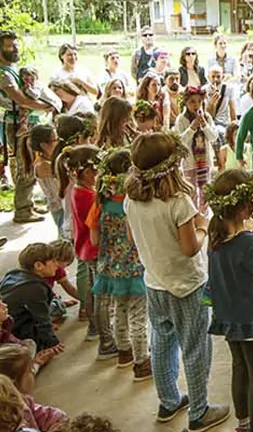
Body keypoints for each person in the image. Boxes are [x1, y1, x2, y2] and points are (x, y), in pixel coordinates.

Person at [123, 132, 230, 430]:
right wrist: (204, 227)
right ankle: (199, 411)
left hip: (154, 283)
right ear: (171, 167)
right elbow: (189, 248)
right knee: (196, 347)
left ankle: (168, 401)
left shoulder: (132, 200)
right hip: (188, 286)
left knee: (162, 342)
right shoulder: (179, 202)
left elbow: (133, 238)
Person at [205, 169, 253, 432]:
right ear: (245, 209)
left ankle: (244, 422)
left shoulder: (215, 235)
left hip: (229, 316)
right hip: (252, 319)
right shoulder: (251, 245)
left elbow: (241, 263)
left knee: (240, 369)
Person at [88, 148, 150, 379]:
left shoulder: (100, 204)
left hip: (110, 268)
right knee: (138, 315)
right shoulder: (133, 203)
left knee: (118, 311)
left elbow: (94, 240)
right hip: (134, 266)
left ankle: (124, 352)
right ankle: (142, 361)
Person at [56, 144, 115, 356]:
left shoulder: (79, 190)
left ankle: (94, 328)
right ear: (88, 171)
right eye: (97, 170)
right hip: (94, 249)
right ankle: (107, 341)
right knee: (102, 297)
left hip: (84, 247)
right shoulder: (88, 195)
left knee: (93, 291)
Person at [0, 32, 50, 224]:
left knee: (33, 162)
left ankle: (27, 204)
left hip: (28, 123)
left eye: (15, 45)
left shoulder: (14, 69)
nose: (15, 48)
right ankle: (22, 210)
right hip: (17, 125)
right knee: (26, 165)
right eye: (9, 46)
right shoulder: (4, 74)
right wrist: (45, 106)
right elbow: (20, 99)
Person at [0, 244, 61, 352]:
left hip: (8, 322)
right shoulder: (35, 288)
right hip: (15, 328)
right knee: (56, 309)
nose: (57, 265)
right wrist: (51, 342)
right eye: (53, 261)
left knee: (53, 306)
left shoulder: (13, 273)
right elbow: (43, 319)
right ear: (38, 265)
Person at [0, 343, 67, 431]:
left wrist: (59, 419)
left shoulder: (24, 400)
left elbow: (40, 413)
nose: (33, 374)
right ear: (13, 383)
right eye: (30, 370)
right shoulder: (12, 417)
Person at [175, 87, 217, 210]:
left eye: (199, 101)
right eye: (192, 101)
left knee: (205, 192)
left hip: (205, 162)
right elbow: (180, 141)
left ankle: (203, 218)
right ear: (185, 103)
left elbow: (213, 137)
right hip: (190, 162)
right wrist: (192, 128)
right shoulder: (181, 119)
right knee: (191, 192)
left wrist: (204, 125)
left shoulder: (207, 117)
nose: (196, 105)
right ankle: (193, 219)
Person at [205, 65, 237, 133]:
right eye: (213, 77)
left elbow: (233, 111)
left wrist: (234, 128)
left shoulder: (229, 89)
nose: (215, 79)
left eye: (218, 76)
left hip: (223, 123)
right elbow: (207, 116)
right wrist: (212, 103)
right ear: (208, 77)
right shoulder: (204, 90)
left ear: (223, 77)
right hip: (209, 124)